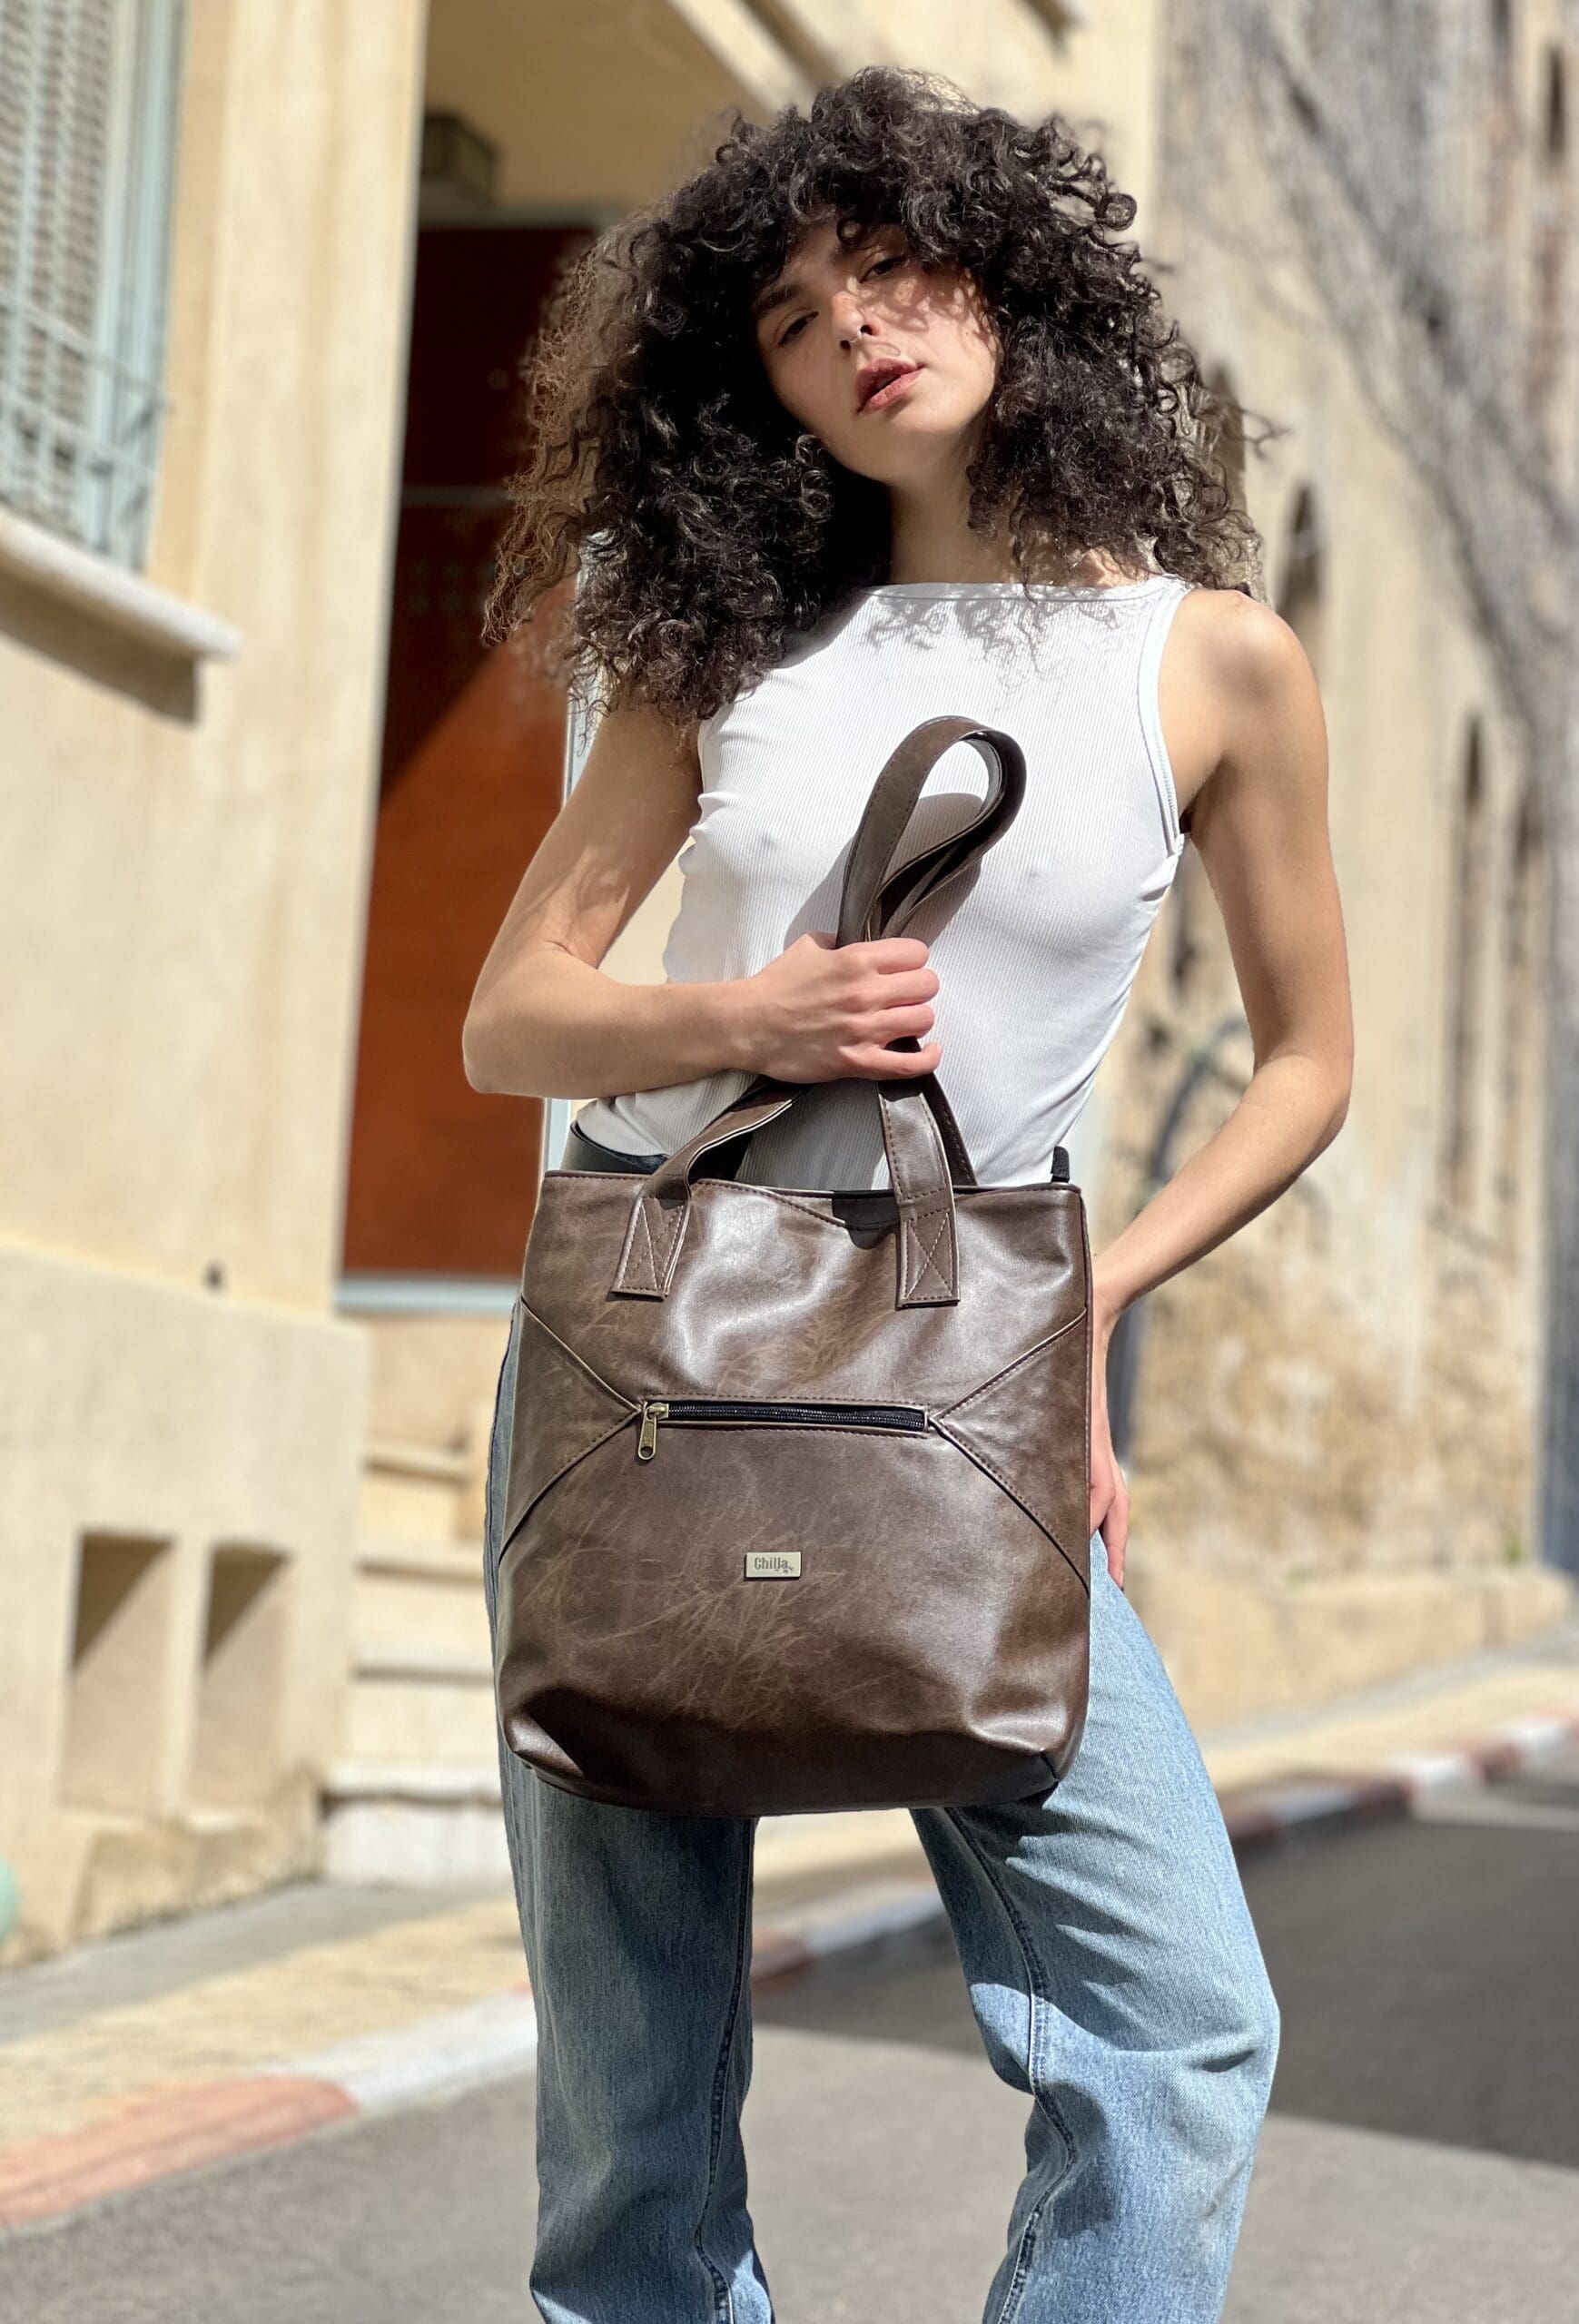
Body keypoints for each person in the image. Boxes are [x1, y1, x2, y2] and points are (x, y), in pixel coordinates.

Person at [463, 64, 1352, 2324]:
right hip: (650, 1353)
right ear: (753, 393)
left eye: (891, 266)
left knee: (1178, 2019)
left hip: (971, 1368)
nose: (854, 326)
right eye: (790, 317)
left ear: (1010, 272)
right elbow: (512, 1018)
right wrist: (745, 1017)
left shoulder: (1210, 659)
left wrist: (1092, 1314)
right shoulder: (722, 648)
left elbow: (1311, 1065)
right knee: (634, 2108)